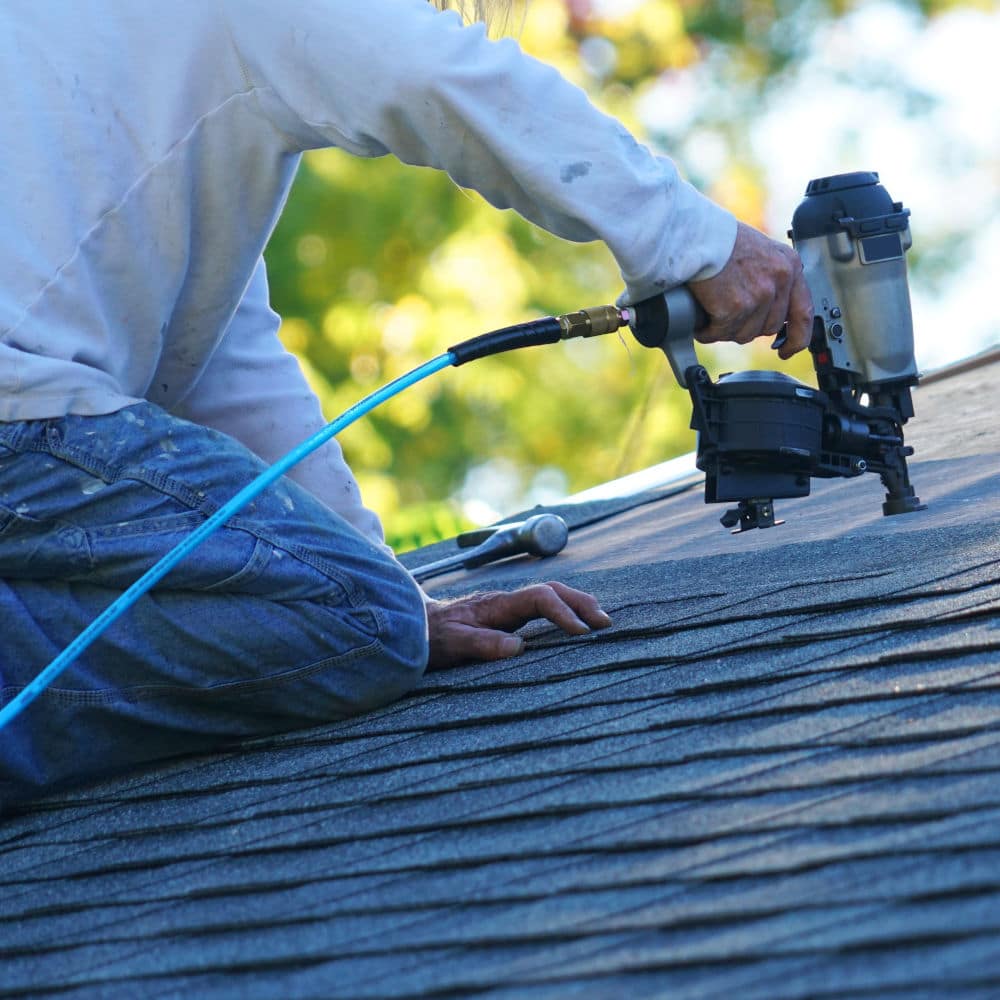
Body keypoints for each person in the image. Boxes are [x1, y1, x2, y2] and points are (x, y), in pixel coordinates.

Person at [0, 0, 811, 804]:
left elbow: (224, 369)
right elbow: (435, 74)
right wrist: (696, 240)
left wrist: (391, 587)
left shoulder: (152, 94)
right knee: (364, 627)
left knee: (375, 616)